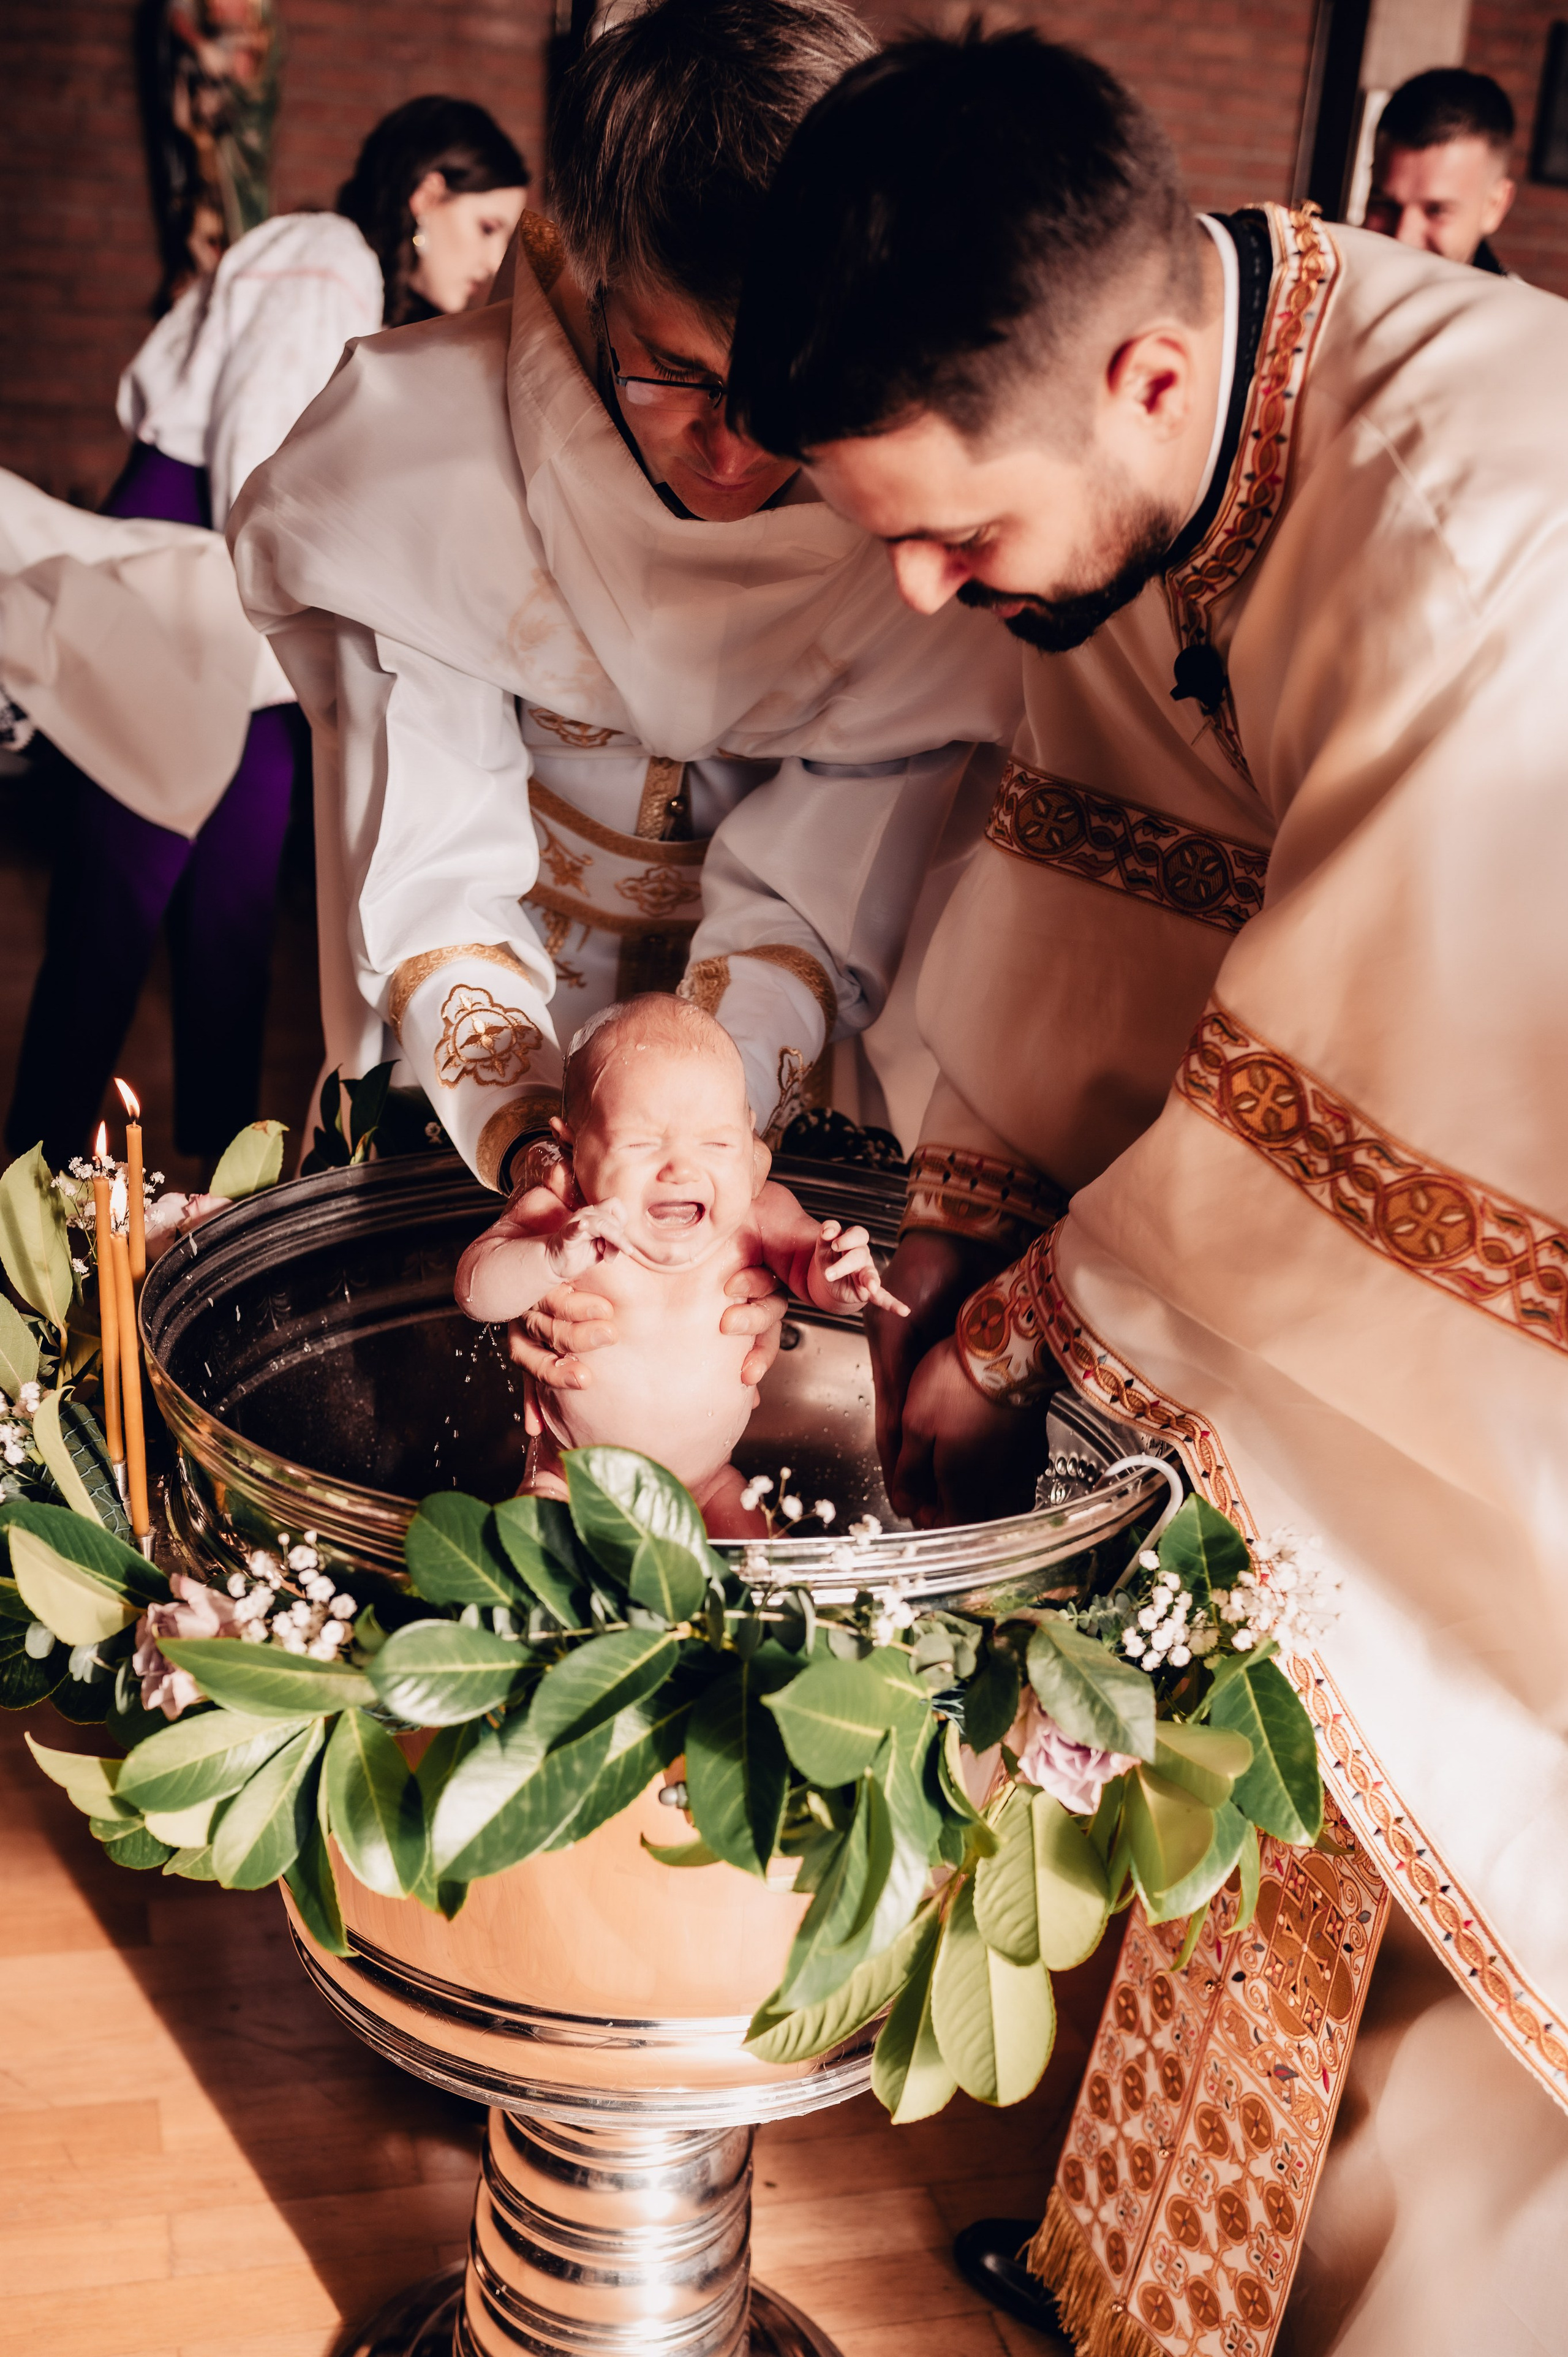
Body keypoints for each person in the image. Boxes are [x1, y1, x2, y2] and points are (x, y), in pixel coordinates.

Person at [726, 28, 1568, 2357]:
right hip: (1380, 1223)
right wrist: (951, 1246)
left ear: (1136, 368)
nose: (911, 593)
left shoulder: (1480, 537)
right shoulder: (1170, 464)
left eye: (947, 529)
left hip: (1509, 1302)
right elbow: (1113, 918)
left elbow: (1381, 1116)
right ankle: (1176, 2290)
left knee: (1437, 1818)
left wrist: (1014, 1330)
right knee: (1253, 1667)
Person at [228, 0, 1020, 1243]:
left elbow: (816, 900)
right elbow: (431, 859)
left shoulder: (901, 523)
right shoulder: (424, 468)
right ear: (586, 275)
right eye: (675, 369)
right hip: (481, 1043)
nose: (733, 448)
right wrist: (540, 1130)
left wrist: (685, 1140)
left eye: (783, 392)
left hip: (764, 1079)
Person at [2, 97, 528, 1167]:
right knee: (121, 911)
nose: (494, 265)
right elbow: (264, 478)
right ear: (426, 194)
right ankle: (29, 1215)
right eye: (486, 229)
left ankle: (219, 1212)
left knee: (226, 932)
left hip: (245, 635)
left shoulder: (366, 291)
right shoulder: (325, 250)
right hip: (189, 598)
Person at [455, 993, 903, 1530]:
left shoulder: (760, 1213)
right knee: (534, 1576)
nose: (681, 1170)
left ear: (749, 1137)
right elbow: (476, 1292)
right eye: (641, 1144)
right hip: (570, 1482)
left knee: (759, 1584)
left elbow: (814, 1278)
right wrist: (546, 1260)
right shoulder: (561, 1215)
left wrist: (841, 1277)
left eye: (717, 1144)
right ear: (571, 1146)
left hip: (707, 1483)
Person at [1363, 66, 1517, 270]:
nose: (1402, 239)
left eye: (1437, 211)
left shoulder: (1516, 303)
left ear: (1495, 206)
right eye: (1385, 204)